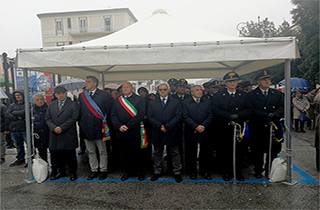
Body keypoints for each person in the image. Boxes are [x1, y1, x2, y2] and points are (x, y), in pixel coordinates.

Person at [212, 72, 250, 181]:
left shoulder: (244, 95)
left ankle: (238, 172)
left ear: (237, 82)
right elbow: (215, 110)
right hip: (224, 127)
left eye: (234, 81)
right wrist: (228, 116)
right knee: (225, 151)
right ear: (226, 83)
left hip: (239, 127)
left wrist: (238, 115)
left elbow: (249, 109)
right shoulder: (218, 95)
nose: (232, 83)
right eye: (229, 81)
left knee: (240, 151)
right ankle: (226, 171)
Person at [248, 69, 284, 178]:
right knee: (257, 150)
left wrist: (274, 115)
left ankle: (270, 170)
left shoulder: (277, 93)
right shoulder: (252, 95)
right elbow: (251, 109)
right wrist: (265, 115)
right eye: (264, 80)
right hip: (258, 126)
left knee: (272, 150)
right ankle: (258, 169)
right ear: (258, 82)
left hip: (273, 125)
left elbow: (282, 106)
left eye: (268, 79)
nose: (267, 81)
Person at [78, 76, 113, 180]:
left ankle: (103, 170)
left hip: (99, 127)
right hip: (86, 127)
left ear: (95, 84)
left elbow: (109, 110)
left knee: (102, 150)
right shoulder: (82, 96)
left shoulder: (104, 95)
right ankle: (94, 170)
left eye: (88, 82)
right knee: (91, 151)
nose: (86, 84)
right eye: (86, 81)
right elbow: (81, 111)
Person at [147, 83, 183, 182]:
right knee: (158, 152)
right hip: (157, 131)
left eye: (164, 89)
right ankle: (157, 171)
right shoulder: (152, 103)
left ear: (168, 90)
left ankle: (177, 172)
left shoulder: (176, 102)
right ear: (158, 91)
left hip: (171, 131)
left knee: (175, 152)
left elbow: (178, 116)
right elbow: (150, 117)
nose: (163, 91)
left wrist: (167, 126)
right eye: (160, 90)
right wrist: (159, 126)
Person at [111, 82, 146, 181]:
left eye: (127, 87)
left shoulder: (140, 99)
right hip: (121, 132)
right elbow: (113, 115)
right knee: (124, 154)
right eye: (123, 88)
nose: (125, 89)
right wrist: (119, 126)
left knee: (137, 153)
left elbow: (141, 114)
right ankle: (127, 172)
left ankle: (139, 172)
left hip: (134, 131)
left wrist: (128, 126)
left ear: (132, 88)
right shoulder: (117, 101)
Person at [46, 86, 79, 181]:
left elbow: (74, 118)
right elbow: (47, 118)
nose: (61, 95)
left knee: (70, 155)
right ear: (55, 95)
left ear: (66, 93)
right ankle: (61, 171)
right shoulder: (51, 105)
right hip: (55, 134)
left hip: (68, 133)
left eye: (62, 93)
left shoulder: (73, 104)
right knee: (57, 154)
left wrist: (61, 127)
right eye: (58, 93)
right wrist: (54, 127)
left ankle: (73, 172)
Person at [182, 85, 214, 180]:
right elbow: (185, 116)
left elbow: (210, 115)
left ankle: (205, 171)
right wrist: (195, 126)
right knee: (191, 152)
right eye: (197, 90)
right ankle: (192, 171)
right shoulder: (185, 103)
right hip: (191, 131)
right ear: (192, 93)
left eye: (201, 90)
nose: (200, 92)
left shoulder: (207, 102)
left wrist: (203, 126)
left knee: (205, 152)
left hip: (205, 130)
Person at [6, 90, 29, 167]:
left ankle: (30, 160)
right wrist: (20, 117)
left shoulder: (28, 104)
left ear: (23, 95)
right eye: (16, 95)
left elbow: (25, 112)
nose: (17, 96)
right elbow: (7, 115)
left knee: (29, 146)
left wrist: (14, 113)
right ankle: (20, 159)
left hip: (25, 129)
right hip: (14, 129)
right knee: (18, 146)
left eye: (19, 95)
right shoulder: (11, 106)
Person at [32, 94, 49, 162]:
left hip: (49, 134)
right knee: (42, 153)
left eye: (41, 99)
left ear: (44, 100)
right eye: (37, 100)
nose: (39, 101)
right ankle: (45, 168)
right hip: (38, 135)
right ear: (34, 101)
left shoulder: (49, 109)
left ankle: (54, 169)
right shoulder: (31, 111)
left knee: (54, 153)